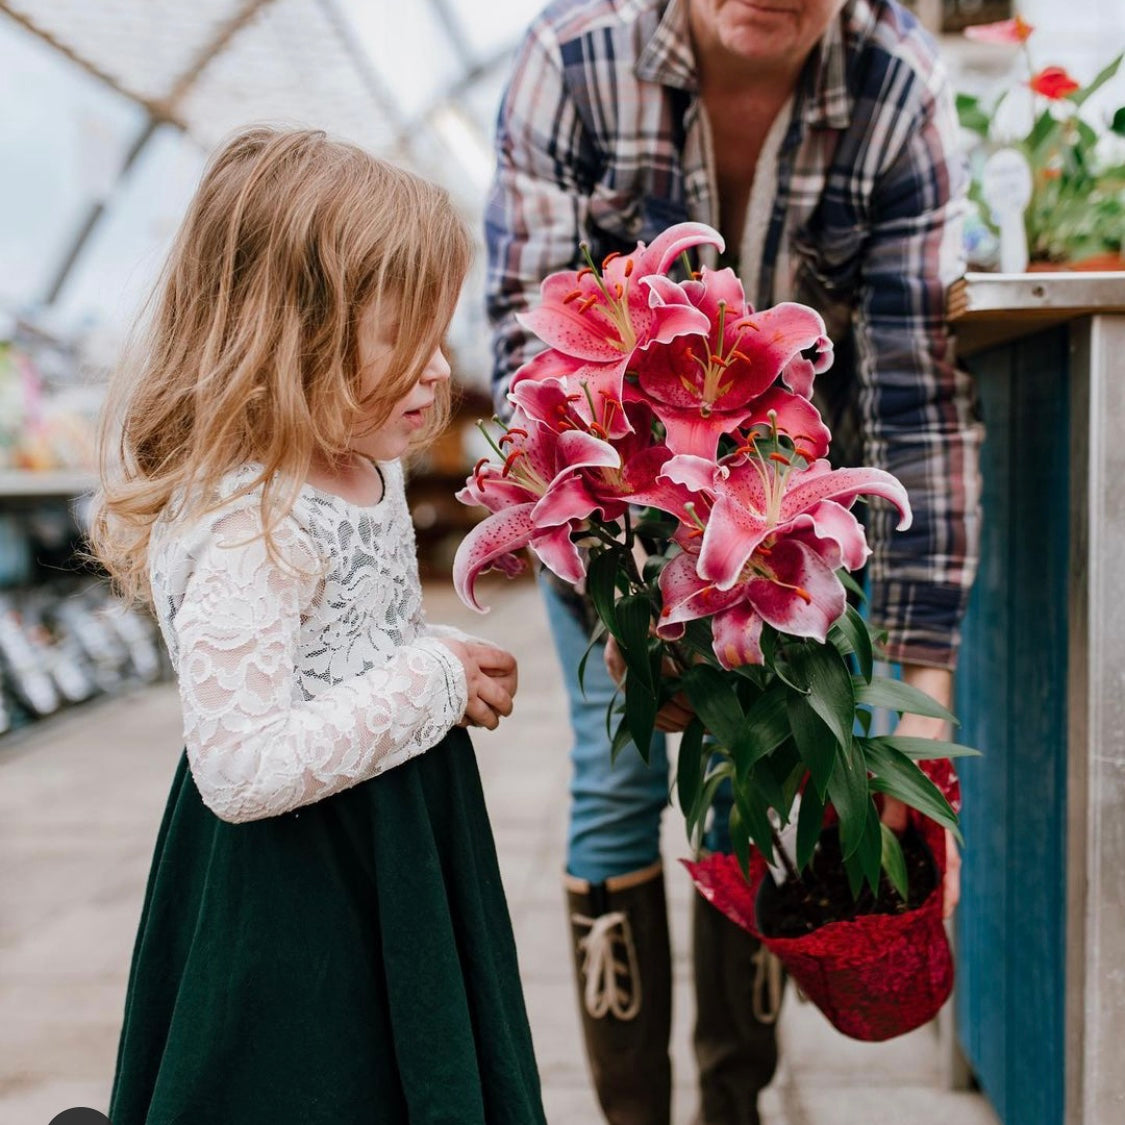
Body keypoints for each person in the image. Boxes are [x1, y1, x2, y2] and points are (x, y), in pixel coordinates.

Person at [485, 1, 981, 1123]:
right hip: (611, 513)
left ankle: (732, 1106)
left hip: (786, 526)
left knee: (747, 787)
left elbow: (916, 393)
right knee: (617, 783)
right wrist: (624, 600)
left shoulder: (896, 83)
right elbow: (530, 345)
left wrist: (919, 663)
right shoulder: (574, 58)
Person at [90, 127, 546, 1125]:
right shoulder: (249, 522)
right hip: (297, 898)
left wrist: (432, 658)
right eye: (403, 336)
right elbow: (242, 767)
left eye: (442, 333)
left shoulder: (357, 465)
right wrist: (427, 684)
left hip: (397, 845)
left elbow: (353, 643)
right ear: (287, 333)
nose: (437, 368)